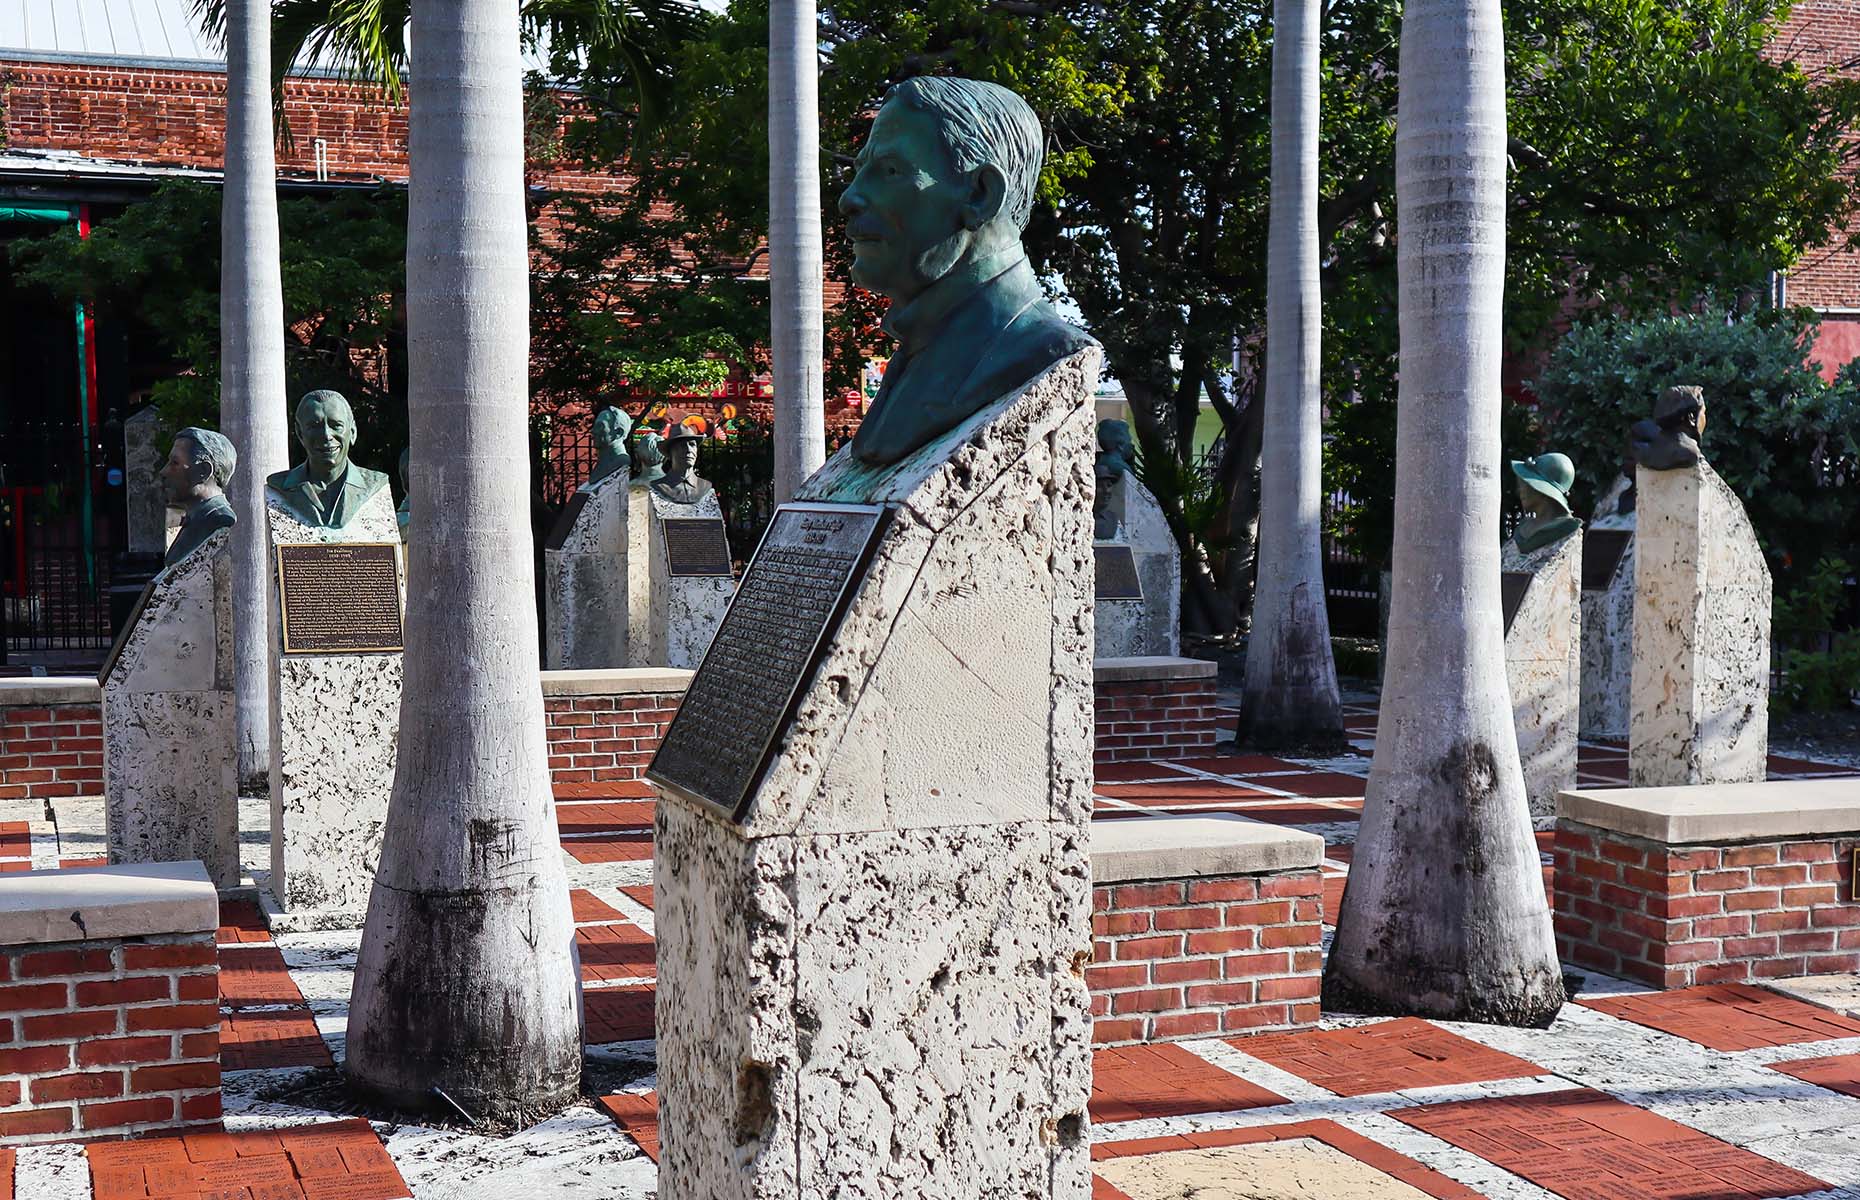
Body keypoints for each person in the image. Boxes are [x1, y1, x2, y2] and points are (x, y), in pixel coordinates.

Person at [840, 77, 1095, 467]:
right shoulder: (920, 348)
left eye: (890, 170)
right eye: (859, 172)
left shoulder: (1039, 352)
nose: (849, 199)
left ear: (980, 195)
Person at [265, 390, 392, 529]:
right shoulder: (280, 486)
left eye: (336, 425)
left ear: (353, 432)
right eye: (314, 426)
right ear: (300, 434)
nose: (326, 435)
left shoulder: (374, 484)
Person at [161, 427, 237, 568]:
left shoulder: (219, 520)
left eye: (175, 463)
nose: (164, 471)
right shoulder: (196, 519)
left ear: (204, 471)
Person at [1509, 452, 1583, 553]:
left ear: (1543, 491)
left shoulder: (1565, 529)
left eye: (1526, 483)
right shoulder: (1522, 530)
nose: (1520, 490)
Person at [1628, 385, 1706, 471]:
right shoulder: (1688, 453)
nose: (1704, 418)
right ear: (1691, 418)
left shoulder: (1647, 449)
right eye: (1703, 413)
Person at [651, 424, 714, 505]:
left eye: (692, 445)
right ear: (670, 453)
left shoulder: (705, 486)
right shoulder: (659, 487)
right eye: (682, 445)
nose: (689, 450)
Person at [584, 407, 633, 490]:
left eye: (600, 426)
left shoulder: (621, 461)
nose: (593, 431)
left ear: (618, 433)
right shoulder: (604, 461)